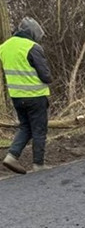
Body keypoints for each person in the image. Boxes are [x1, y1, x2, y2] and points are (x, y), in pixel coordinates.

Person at [0, 17, 53, 174]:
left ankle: (11, 156)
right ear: (32, 33)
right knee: (39, 129)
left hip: (16, 96)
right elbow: (45, 75)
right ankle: (38, 164)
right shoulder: (33, 47)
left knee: (25, 127)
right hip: (35, 95)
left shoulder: (4, 47)